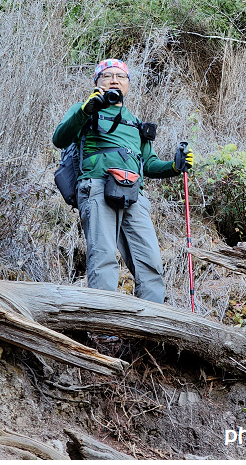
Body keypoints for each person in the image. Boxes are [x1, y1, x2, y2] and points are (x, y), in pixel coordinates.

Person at [53, 58, 193, 304]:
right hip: (96, 186)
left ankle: (153, 326)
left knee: (149, 261)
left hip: (133, 193)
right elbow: (60, 139)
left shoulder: (136, 123)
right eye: (107, 76)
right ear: (97, 82)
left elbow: (149, 164)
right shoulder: (84, 109)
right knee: (103, 257)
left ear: (128, 84)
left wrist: (174, 166)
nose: (114, 80)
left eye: (121, 76)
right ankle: (104, 330)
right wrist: (85, 110)